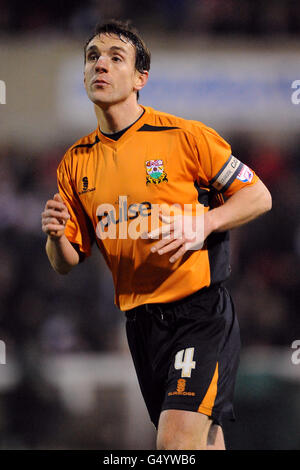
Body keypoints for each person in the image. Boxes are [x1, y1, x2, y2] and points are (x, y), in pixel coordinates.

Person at [41, 20, 272, 450]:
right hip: (141, 325)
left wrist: (204, 222)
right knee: (202, 443)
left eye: (115, 58)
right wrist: (55, 237)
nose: (101, 66)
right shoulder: (75, 163)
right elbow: (66, 261)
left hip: (199, 314)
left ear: (140, 78)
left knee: (175, 444)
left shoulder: (184, 137)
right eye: (93, 56)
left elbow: (259, 195)